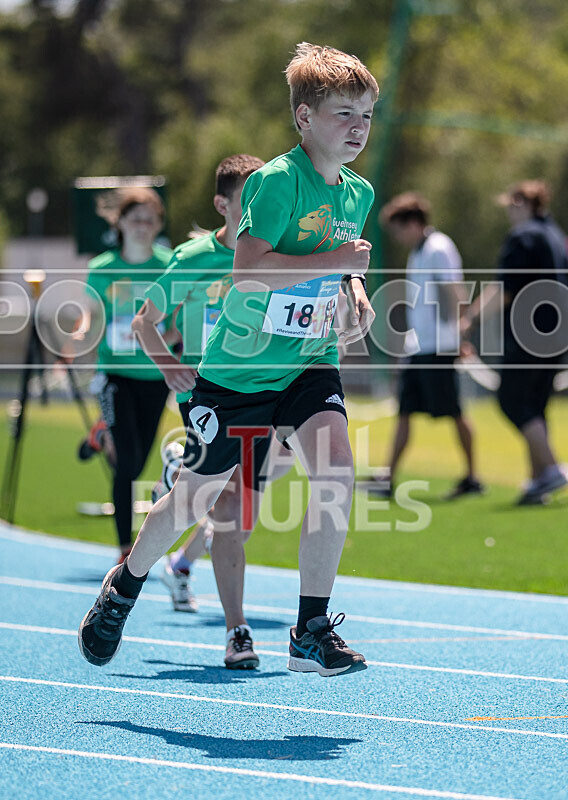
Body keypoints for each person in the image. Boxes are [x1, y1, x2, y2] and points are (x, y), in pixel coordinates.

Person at [79, 42, 378, 678]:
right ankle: (124, 584)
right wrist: (342, 267)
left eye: (367, 116)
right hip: (238, 375)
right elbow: (249, 273)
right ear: (304, 118)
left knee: (336, 471)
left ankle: (311, 625)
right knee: (196, 498)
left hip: (308, 361)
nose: (358, 128)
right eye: (343, 114)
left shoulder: (359, 192)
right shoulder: (273, 183)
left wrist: (355, 295)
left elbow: (342, 257)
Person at [134, 154, 287, 668]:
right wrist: (168, 367)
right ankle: (236, 631)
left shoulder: (277, 252)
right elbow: (145, 322)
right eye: (250, 198)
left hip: (267, 395)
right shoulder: (195, 259)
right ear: (223, 204)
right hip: (209, 398)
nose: (261, 207)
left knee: (240, 524)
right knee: (224, 514)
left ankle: (180, 490)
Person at [80, 188, 174, 562]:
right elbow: (89, 317)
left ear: (159, 226)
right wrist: (74, 339)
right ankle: (124, 548)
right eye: (135, 219)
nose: (142, 227)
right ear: (119, 223)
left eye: (150, 220)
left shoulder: (170, 264)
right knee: (129, 463)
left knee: (135, 463)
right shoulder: (102, 268)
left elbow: (181, 314)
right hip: (115, 374)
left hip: (156, 375)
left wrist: (165, 337)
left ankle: (102, 435)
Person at [372, 192, 484, 500]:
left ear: (413, 223)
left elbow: (453, 291)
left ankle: (473, 477)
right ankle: (388, 477)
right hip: (419, 347)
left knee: (454, 412)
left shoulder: (438, 248)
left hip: (439, 347)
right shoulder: (418, 252)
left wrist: (459, 338)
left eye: (398, 229)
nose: (397, 237)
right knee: (405, 410)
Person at [461, 180, 568, 504]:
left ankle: (551, 470)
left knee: (511, 400)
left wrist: (470, 319)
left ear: (522, 203)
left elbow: (504, 289)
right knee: (535, 405)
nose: (509, 212)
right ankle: (538, 481)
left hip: (529, 332)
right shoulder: (555, 236)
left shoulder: (523, 236)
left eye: (511, 205)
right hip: (558, 333)